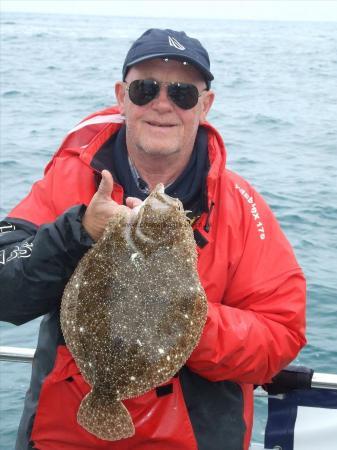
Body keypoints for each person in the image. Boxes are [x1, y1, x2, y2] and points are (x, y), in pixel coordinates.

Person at [0, 28, 306, 450]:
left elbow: (281, 336)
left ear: (205, 105)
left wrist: (179, 320)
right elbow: (4, 289)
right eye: (145, 89)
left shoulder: (240, 205)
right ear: (122, 97)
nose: (162, 104)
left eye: (182, 93)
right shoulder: (67, 182)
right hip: (62, 437)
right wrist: (78, 232)